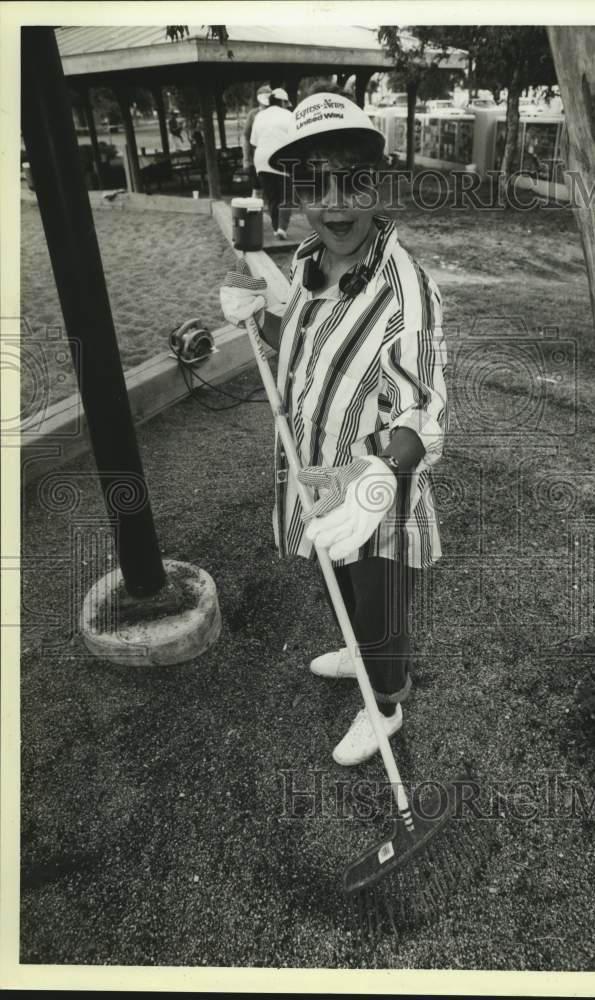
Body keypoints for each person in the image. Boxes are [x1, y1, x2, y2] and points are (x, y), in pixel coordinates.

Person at [220, 94, 448, 766]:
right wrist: (256, 317)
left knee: (379, 604)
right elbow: (306, 352)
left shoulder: (410, 291)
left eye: (354, 182)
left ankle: (386, 705)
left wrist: (378, 475)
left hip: (376, 493)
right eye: (316, 186)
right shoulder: (308, 262)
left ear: (380, 185)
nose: (336, 205)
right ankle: (356, 650)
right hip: (312, 472)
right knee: (333, 575)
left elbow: (425, 413)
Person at [250, 87, 294, 239]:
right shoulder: (288, 115)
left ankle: (276, 229)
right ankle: (282, 228)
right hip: (281, 158)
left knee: (272, 197)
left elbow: (253, 142)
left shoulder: (260, 116)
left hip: (261, 159)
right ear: (282, 101)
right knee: (287, 195)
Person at [242, 85, 272, 191]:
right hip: (255, 159)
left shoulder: (274, 113)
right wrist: (246, 159)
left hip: (271, 157)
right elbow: (246, 137)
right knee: (257, 189)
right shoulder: (253, 114)